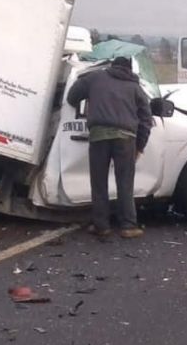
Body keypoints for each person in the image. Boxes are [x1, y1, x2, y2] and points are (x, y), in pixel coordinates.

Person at [66, 56, 153, 239]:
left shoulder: (95, 78)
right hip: (126, 139)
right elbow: (146, 119)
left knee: (99, 182)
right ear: (130, 70)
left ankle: (101, 226)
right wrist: (140, 146)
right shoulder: (136, 88)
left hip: (98, 136)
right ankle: (128, 226)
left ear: (113, 66)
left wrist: (85, 101)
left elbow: (72, 95)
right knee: (125, 183)